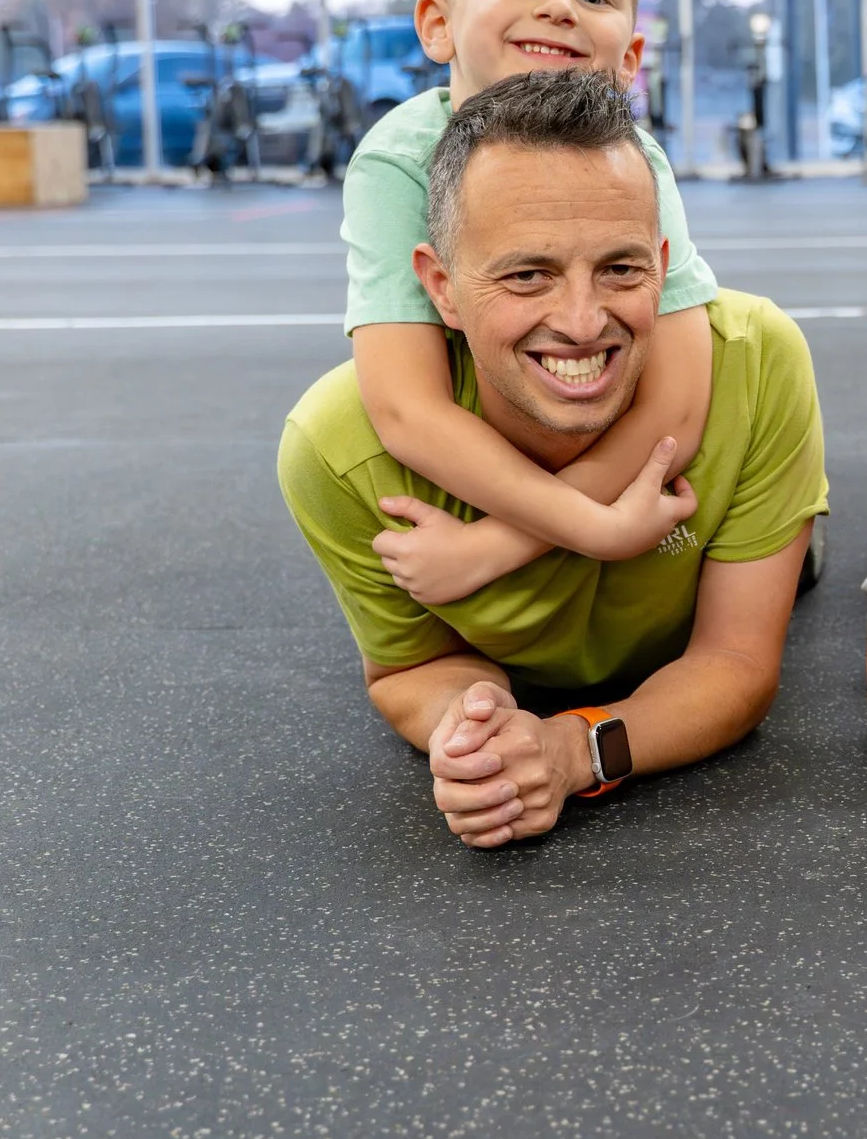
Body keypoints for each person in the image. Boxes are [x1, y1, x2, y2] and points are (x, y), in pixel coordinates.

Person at [279, 70, 829, 849]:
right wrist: (476, 730)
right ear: (440, 287)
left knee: (795, 571)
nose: (580, 321)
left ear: (665, 265)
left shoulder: (758, 360)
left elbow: (734, 661)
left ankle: (791, 536)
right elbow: (410, 671)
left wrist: (576, 749)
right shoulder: (337, 452)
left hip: (710, 567)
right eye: (527, 274)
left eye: (621, 268)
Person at [344, 0, 715, 611]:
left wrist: (494, 546)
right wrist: (595, 527)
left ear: (629, 57)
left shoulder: (633, 159)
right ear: (437, 24)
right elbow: (406, 409)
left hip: (600, 446)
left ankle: (784, 536)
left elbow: (675, 406)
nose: (558, 7)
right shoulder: (397, 160)